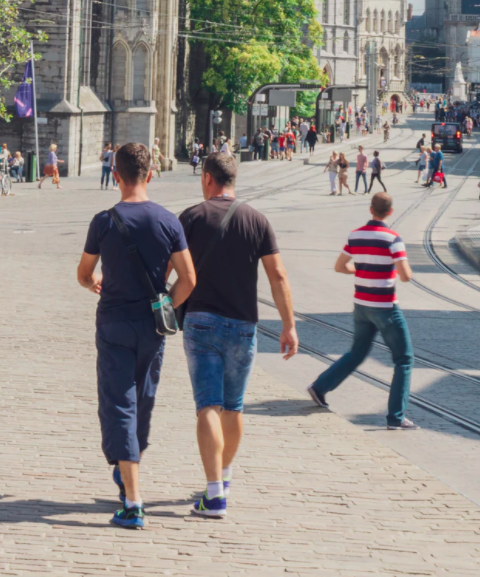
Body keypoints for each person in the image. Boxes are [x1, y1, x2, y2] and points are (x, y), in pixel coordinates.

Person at [76, 143, 196, 529]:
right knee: (142, 400)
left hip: (113, 323)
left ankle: (133, 500)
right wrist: (165, 305)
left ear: (115, 176)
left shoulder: (104, 221)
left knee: (119, 404)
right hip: (151, 326)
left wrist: (95, 283)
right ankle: (130, 468)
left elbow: (83, 273)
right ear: (150, 174)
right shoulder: (167, 221)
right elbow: (189, 279)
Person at [177, 152, 298, 518]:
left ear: (208, 179)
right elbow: (278, 276)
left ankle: (214, 495)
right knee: (233, 406)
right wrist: (289, 324)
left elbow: (169, 267)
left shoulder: (192, 217)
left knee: (207, 406)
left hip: (200, 322)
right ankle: (224, 478)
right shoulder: (256, 219)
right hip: (244, 326)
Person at [308, 192, 417, 431]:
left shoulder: (356, 235)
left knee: (356, 353)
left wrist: (362, 267)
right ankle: (396, 417)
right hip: (386, 307)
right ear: (390, 212)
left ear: (371, 210)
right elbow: (407, 276)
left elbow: (340, 266)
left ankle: (319, 387)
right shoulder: (393, 238)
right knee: (404, 359)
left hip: (361, 305)